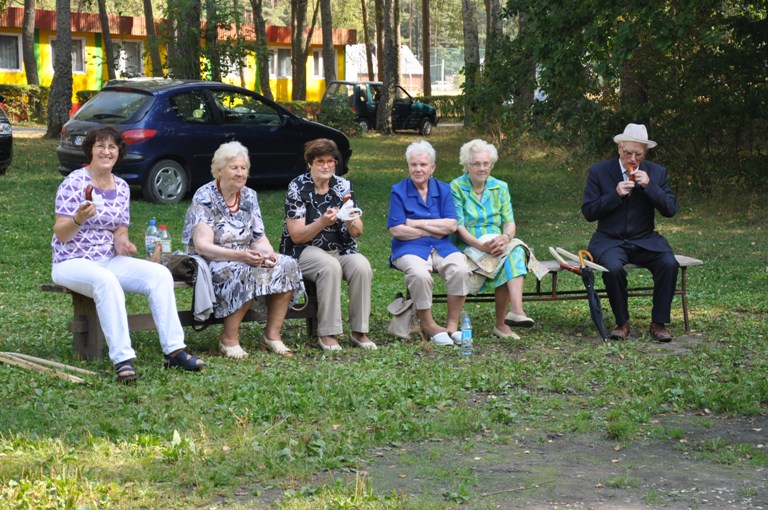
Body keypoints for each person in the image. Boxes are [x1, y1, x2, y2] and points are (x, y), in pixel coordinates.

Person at [51, 126, 205, 383]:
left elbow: (120, 228)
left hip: (108, 259)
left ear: (118, 153)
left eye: (112, 147)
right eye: (100, 146)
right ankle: (123, 359)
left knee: (159, 274)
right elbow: (61, 233)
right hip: (71, 261)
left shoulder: (121, 187)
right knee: (106, 281)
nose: (106, 151)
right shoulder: (74, 182)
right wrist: (78, 219)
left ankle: (174, 351)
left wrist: (123, 243)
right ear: (90, 150)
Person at [183, 141, 304, 358]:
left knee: (287, 265)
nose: (240, 173)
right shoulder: (205, 196)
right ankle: (228, 338)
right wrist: (240, 255)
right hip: (213, 258)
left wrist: (268, 255)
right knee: (245, 270)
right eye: (234, 168)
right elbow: (203, 246)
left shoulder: (249, 195)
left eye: (243, 168)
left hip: (245, 255)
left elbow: (258, 237)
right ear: (219, 170)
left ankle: (272, 335)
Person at [582, 123, 679, 342]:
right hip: (609, 239)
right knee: (613, 269)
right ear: (619, 148)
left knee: (668, 263)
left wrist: (650, 187)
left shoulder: (656, 172)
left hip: (645, 238)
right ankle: (622, 322)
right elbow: (589, 212)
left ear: (646, 153)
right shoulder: (599, 171)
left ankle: (659, 322)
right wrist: (615, 194)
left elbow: (671, 210)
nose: (632, 159)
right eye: (628, 153)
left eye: (638, 154)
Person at [280, 138, 376, 351]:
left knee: (361, 266)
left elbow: (357, 231)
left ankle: (359, 331)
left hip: (339, 247)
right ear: (310, 164)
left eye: (330, 161)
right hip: (303, 249)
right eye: (320, 161)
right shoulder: (298, 187)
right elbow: (297, 236)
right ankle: (328, 333)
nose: (326, 166)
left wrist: (350, 220)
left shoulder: (342, 186)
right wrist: (322, 222)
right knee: (329, 266)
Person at [387, 140, 470, 346]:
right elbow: (396, 229)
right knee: (419, 274)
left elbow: (451, 225)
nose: (418, 169)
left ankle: (452, 326)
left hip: (442, 246)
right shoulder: (399, 190)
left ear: (432, 168)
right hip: (408, 248)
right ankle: (429, 324)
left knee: (460, 268)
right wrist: (433, 227)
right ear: (408, 166)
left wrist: (416, 223)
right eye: (413, 164)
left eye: (423, 165)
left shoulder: (444, 189)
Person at [450, 139, 534, 340]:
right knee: (505, 259)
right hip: (468, 243)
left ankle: (514, 312)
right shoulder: (456, 187)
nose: (482, 168)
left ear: (491, 165)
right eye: (476, 164)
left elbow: (509, 223)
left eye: (486, 163)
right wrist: (480, 245)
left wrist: (505, 238)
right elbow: (458, 227)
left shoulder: (500, 187)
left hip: (496, 242)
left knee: (515, 251)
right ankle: (502, 323)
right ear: (467, 165)